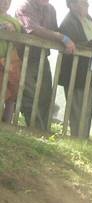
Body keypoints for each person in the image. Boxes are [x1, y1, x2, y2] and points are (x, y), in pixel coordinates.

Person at [17, 0, 72, 131]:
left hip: (42, 57)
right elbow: (32, 29)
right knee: (28, 95)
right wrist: (61, 37)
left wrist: (68, 38)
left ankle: (43, 131)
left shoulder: (51, 9)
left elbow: (55, 30)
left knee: (45, 96)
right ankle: (35, 130)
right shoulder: (24, 7)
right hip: (24, 58)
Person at [59, 0, 92, 138]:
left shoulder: (88, 19)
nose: (86, 5)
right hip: (77, 73)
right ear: (71, 4)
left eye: (86, 2)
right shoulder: (68, 22)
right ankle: (77, 140)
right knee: (78, 110)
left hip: (91, 73)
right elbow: (75, 43)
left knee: (87, 110)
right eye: (81, 2)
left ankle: (83, 140)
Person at [0, 0, 22, 123]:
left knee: (11, 94)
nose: (5, 3)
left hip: (11, 62)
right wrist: (3, 27)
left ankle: (7, 124)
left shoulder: (14, 21)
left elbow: (20, 37)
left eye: (8, 0)